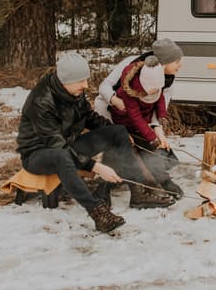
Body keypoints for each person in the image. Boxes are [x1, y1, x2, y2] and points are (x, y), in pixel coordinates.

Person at [16, 53, 174, 234]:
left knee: (118, 131)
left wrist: (118, 133)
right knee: (62, 156)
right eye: (81, 81)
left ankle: (138, 192)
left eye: (86, 80)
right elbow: (57, 146)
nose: (86, 85)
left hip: (68, 144)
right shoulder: (41, 102)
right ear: (64, 80)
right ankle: (98, 213)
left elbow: (89, 118)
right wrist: (96, 167)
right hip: (39, 154)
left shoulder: (73, 92)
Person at [108, 53, 184, 199]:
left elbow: (160, 100)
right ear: (144, 85)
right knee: (142, 149)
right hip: (125, 123)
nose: (156, 92)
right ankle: (146, 185)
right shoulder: (129, 92)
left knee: (152, 150)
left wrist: (161, 117)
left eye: (158, 89)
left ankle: (165, 181)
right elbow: (135, 118)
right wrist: (151, 137)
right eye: (153, 89)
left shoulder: (156, 88)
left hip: (142, 122)